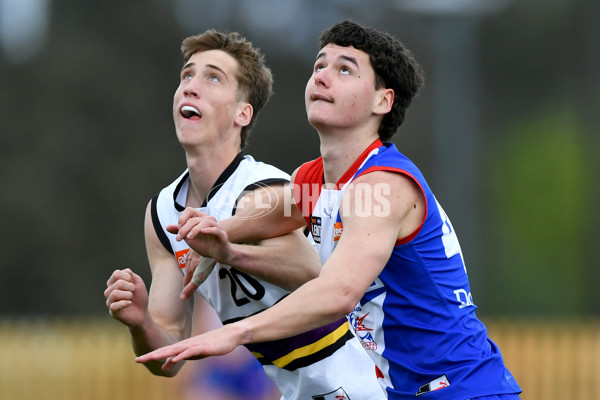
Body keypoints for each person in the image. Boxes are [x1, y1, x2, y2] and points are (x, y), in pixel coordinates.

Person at [136, 21, 524, 400]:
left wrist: (235, 333)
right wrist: (223, 235)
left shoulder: (381, 186)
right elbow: (274, 213)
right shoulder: (317, 179)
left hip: (464, 390)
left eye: (344, 70)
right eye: (319, 65)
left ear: (382, 101)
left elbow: (337, 292)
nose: (322, 76)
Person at [104, 29, 386, 400]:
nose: (191, 86)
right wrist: (139, 323)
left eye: (212, 78)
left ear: (243, 112)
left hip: (363, 377)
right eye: (187, 75)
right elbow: (167, 356)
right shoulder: (161, 214)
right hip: (296, 387)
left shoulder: (261, 187)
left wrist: (230, 251)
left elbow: (310, 271)